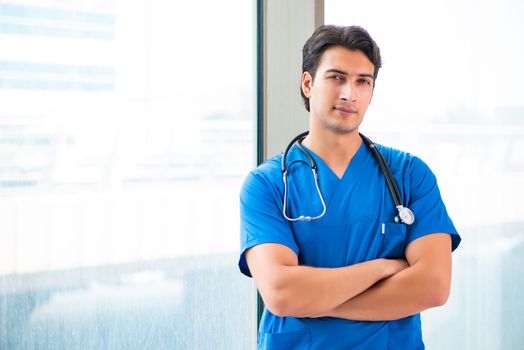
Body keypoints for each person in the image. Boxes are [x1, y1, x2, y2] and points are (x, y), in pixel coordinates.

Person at [238, 24, 461, 350]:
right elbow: (282, 293)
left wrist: (315, 301)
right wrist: (382, 268)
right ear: (307, 83)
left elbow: (433, 286)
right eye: (336, 78)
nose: (349, 93)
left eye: (362, 82)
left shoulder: (410, 176)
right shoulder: (268, 185)